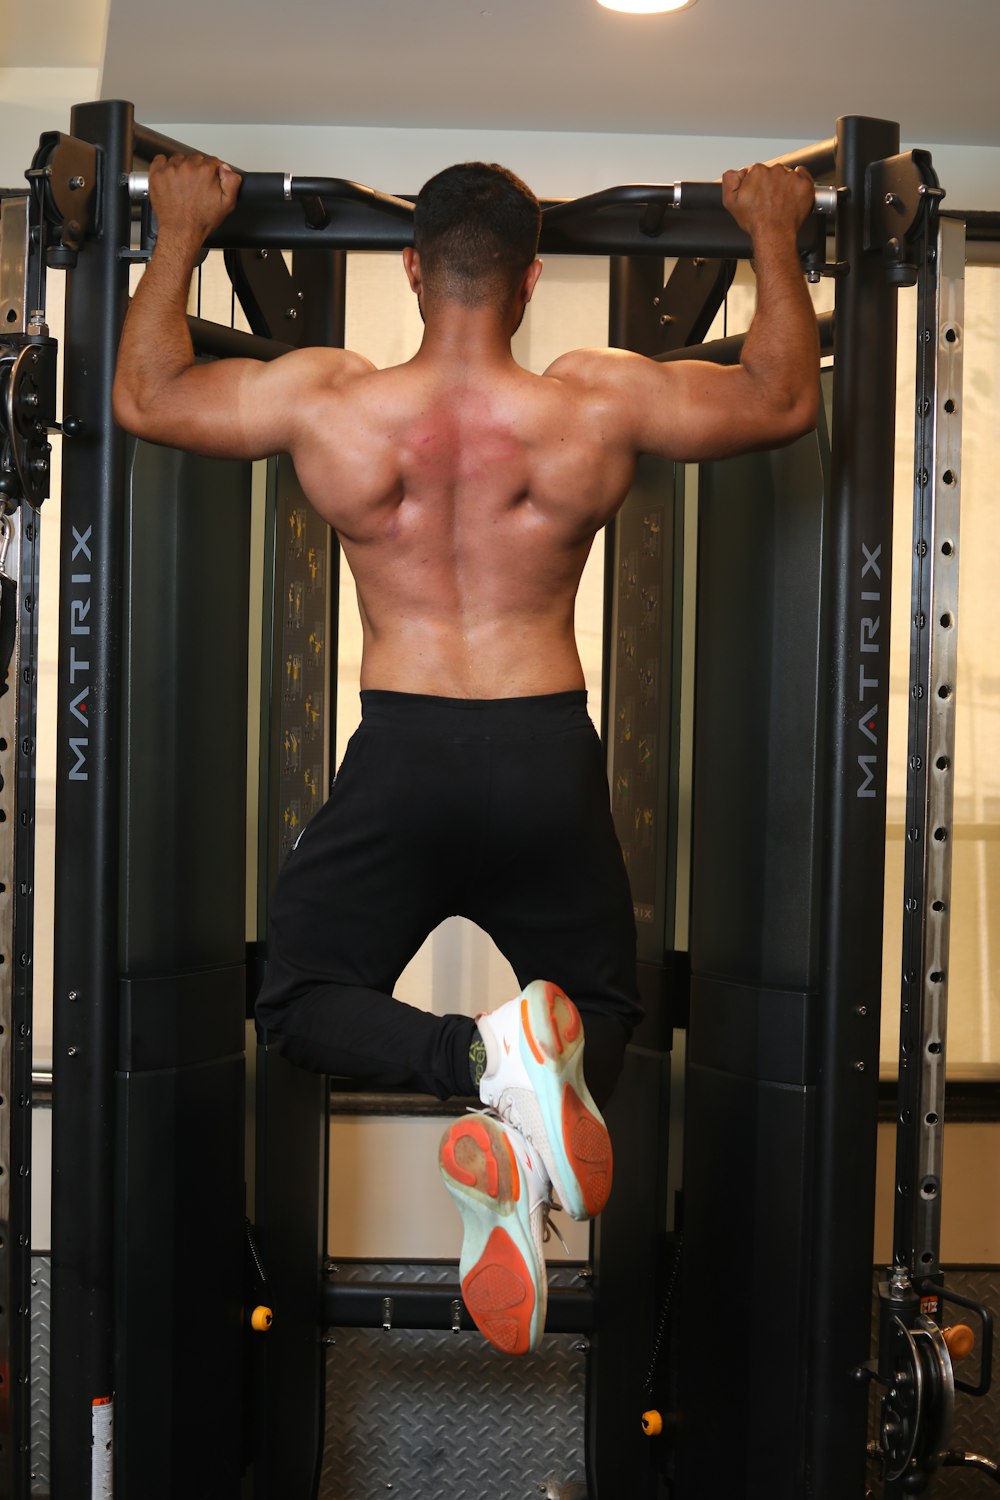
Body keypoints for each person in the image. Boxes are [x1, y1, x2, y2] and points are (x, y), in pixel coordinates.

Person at [113, 153, 819, 1356]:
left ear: (410, 266)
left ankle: (481, 1071)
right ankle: (517, 1108)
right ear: (532, 281)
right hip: (544, 752)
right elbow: (776, 397)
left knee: (295, 1002)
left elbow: (148, 394)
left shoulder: (332, 401)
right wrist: (771, 233)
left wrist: (178, 230)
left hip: (402, 754)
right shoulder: (593, 402)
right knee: (600, 1012)